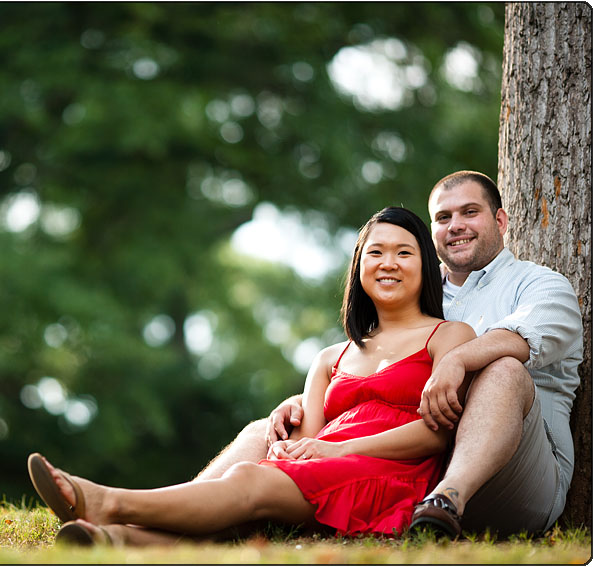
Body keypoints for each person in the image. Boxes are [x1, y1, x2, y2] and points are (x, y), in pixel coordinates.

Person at [28, 206, 477, 545]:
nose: (389, 263)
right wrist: (291, 445)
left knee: (247, 479)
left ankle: (108, 502)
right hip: (321, 470)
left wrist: (329, 449)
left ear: (426, 267)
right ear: (359, 268)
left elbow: (434, 436)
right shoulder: (328, 358)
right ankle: (116, 540)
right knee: (244, 492)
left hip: (390, 477)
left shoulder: (448, 335)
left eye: (404, 252)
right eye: (375, 252)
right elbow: (309, 437)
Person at [198, 171, 583, 539]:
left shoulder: (541, 285)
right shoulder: (417, 287)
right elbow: (382, 376)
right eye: (443, 217)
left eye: (470, 212)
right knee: (266, 431)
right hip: (412, 467)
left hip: (513, 472)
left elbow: (521, 338)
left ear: (500, 220)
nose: (456, 225)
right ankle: (177, 516)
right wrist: (305, 401)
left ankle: (446, 501)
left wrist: (457, 359)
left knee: (503, 370)